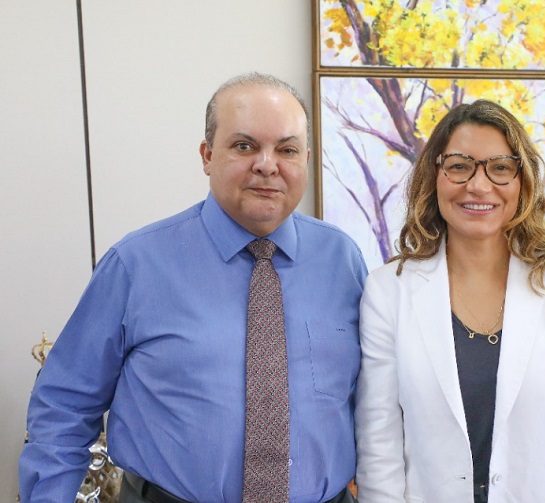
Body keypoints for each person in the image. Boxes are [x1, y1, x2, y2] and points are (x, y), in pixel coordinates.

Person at [19, 73, 367, 503]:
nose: (267, 164)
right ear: (207, 155)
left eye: (287, 149)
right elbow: (63, 406)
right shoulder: (135, 265)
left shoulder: (343, 261)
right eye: (244, 146)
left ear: (306, 160)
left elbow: (373, 406)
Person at [354, 99, 545, 502]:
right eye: (459, 166)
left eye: (499, 167)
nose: (479, 186)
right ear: (435, 176)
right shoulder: (388, 290)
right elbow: (379, 445)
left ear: (522, 180)